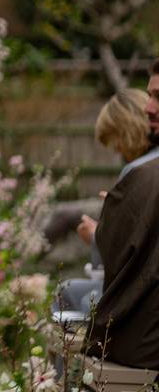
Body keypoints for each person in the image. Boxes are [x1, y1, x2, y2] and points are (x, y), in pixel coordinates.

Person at [86, 59, 159, 369]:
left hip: (142, 343)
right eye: (150, 96)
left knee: (74, 300)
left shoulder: (143, 177)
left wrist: (100, 229)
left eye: (158, 97)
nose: (149, 108)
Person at [55, 89, 151, 316]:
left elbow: (132, 246)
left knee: (73, 297)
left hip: (135, 289)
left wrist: (97, 234)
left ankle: (79, 351)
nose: (116, 150)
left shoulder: (137, 171)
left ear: (125, 130)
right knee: (70, 291)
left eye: (114, 140)